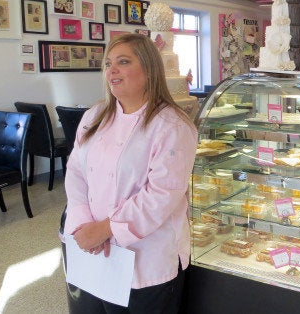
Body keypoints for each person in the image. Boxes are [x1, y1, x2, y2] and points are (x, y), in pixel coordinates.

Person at [64, 33, 198, 313]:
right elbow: (76, 171)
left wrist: (104, 230)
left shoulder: (172, 126)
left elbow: (161, 195)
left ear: (149, 70)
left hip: (147, 260)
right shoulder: (94, 116)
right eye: (108, 63)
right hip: (92, 248)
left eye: (123, 62)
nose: (112, 70)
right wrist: (83, 224)